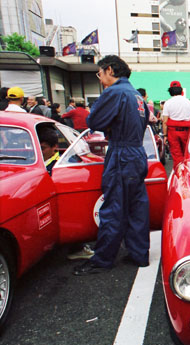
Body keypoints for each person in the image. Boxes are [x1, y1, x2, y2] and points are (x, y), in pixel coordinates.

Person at [73, 55, 151, 276]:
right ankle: (139, 254)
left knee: (114, 207)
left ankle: (103, 259)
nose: (100, 79)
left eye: (99, 74)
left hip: (121, 152)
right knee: (136, 207)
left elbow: (94, 122)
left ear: (109, 70)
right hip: (136, 152)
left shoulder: (115, 92)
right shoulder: (137, 95)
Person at [162, 81, 190, 168]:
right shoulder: (188, 102)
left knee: (176, 156)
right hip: (186, 132)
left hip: (173, 132)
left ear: (171, 91)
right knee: (187, 155)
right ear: (181, 90)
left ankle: (179, 173)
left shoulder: (168, 103)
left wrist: (165, 135)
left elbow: (165, 121)